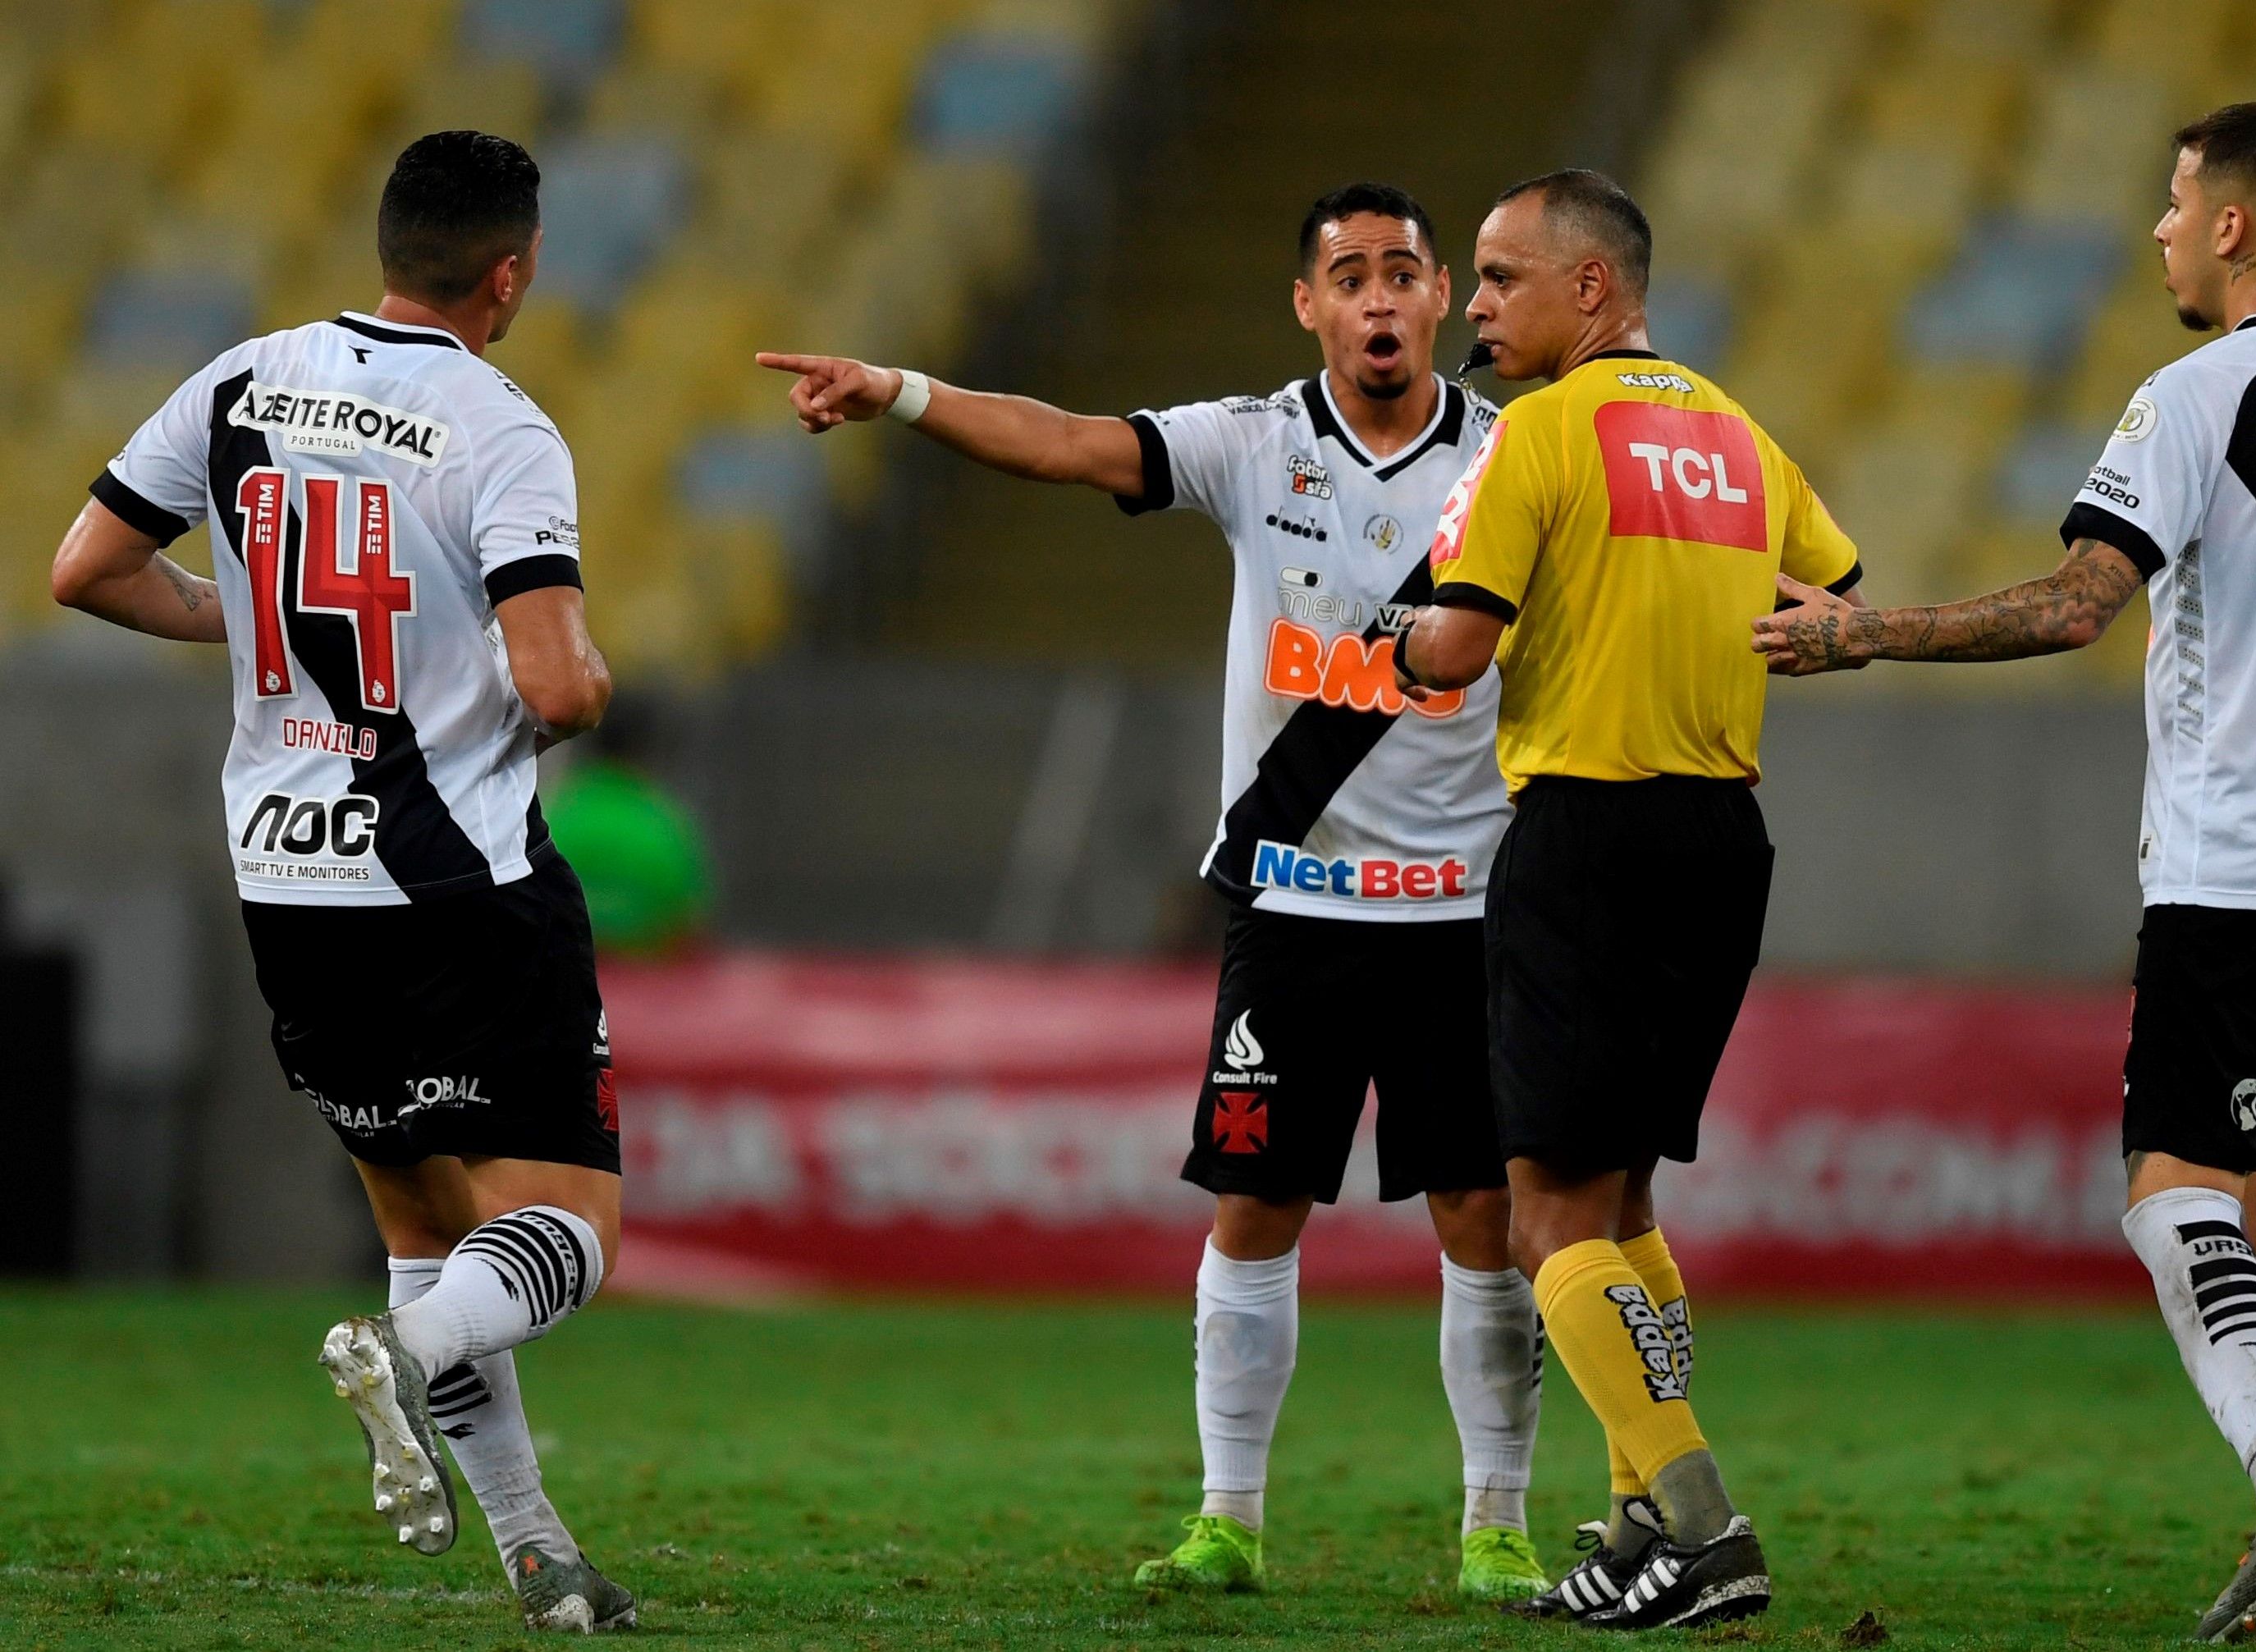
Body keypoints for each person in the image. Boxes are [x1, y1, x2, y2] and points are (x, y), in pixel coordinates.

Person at [754, 183, 1549, 1604]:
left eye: (1401, 276)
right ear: (1306, 306)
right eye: (1346, 277)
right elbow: (1067, 443)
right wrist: (901, 392)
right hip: (1295, 906)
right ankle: (1228, 1518)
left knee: (1484, 1225)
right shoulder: (1250, 444)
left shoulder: (1517, 457)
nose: (1376, 300)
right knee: (1254, 1208)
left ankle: (1497, 1523)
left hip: (1465, 908)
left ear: (1442, 301)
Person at [1761, 102, 2256, 1640]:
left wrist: (1869, 630)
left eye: (2179, 200)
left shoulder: (2197, 394)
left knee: (2169, 1195)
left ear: (2238, 228)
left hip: (2241, 860)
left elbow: (2076, 606)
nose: (2161, 227)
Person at [51, 130, 634, 1633]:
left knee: (427, 1209)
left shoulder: (242, 381)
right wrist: (584, 676)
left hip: (290, 884)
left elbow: (87, 568)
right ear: (508, 275)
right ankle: (403, 1347)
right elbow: (560, 690)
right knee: (563, 1229)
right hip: (456, 882)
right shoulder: (504, 427)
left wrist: (252, 628)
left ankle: (532, 1548)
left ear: (389, 247)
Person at [1400, 167, 1867, 1631]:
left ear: (1591, 288)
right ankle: (1630, 1533)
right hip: (1723, 837)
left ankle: (1702, 1521)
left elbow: (1456, 655)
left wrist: (1406, 628)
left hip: (1590, 833)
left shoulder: (1540, 431)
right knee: (1625, 1199)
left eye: (1496, 276)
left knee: (1547, 1218)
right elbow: (1837, 599)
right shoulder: (1736, 430)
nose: (1471, 306)